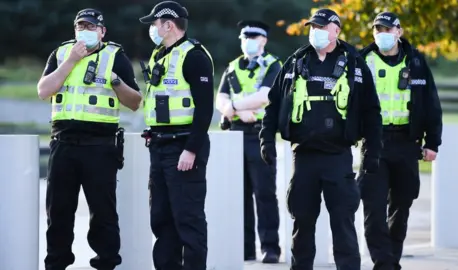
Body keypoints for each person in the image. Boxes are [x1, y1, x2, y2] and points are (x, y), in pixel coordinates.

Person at [259, 8, 383, 270]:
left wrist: (372, 151)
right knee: (302, 225)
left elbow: (372, 111)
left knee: (343, 225)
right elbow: (273, 104)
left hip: (338, 157)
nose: (315, 32)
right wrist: (266, 140)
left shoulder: (354, 63)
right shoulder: (295, 62)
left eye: (321, 27)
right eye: (312, 27)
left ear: (336, 30)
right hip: (303, 157)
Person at [37, 8, 142, 270]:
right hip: (63, 144)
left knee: (103, 215)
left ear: (102, 31)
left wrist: (116, 82)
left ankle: (106, 264)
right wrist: (71, 61)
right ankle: (56, 264)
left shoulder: (115, 56)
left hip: (100, 147)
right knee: (58, 212)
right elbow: (43, 91)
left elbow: (135, 102)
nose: (85, 31)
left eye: (91, 27)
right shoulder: (61, 54)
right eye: (80, 27)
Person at [358, 12, 443, 270]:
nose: (381, 34)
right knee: (373, 208)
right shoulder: (363, 61)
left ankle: (390, 260)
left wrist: (433, 142)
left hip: (407, 143)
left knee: (401, 206)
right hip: (374, 142)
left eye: (387, 29)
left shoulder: (416, 61)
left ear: (399, 32)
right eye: (377, 30)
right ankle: (384, 264)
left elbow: (431, 104)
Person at [138, 1, 214, 269]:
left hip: (183, 148)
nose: (153, 29)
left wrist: (191, 149)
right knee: (161, 219)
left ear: (168, 24)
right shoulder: (160, 54)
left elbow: (205, 109)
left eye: (155, 24)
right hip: (159, 146)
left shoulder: (194, 56)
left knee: (188, 219)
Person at [215, 20, 282, 263]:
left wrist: (232, 107)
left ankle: (270, 248)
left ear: (263, 40)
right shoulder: (233, 66)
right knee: (238, 195)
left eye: (253, 37)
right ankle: (245, 248)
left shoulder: (274, 65)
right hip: (234, 134)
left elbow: (265, 95)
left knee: (264, 194)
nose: (247, 41)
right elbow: (219, 98)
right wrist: (233, 109)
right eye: (244, 37)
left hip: (260, 134)